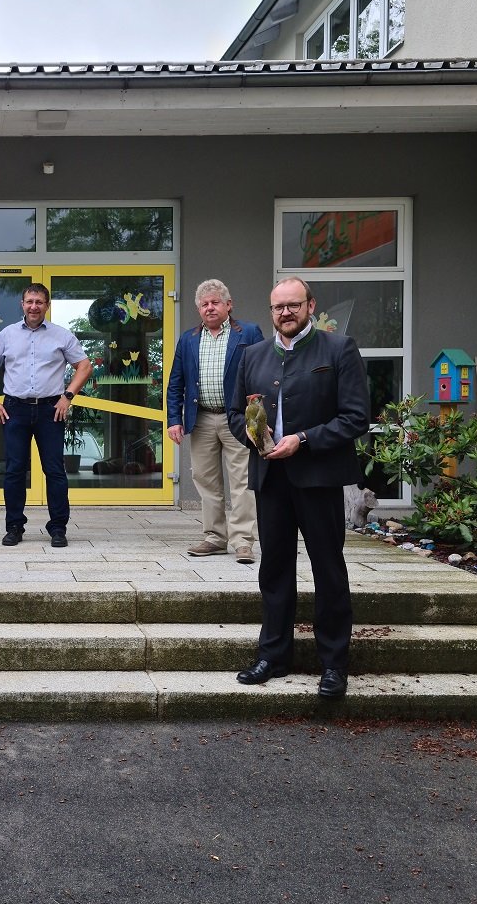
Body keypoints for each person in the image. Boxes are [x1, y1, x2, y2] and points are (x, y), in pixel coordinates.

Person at [227, 277, 370, 699]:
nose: (285, 313)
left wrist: (303, 440)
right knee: (274, 569)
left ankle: (334, 664)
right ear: (270, 311)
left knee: (328, 569)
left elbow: (355, 417)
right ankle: (273, 655)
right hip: (270, 478)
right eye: (278, 307)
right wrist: (252, 435)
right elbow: (234, 414)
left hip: (318, 478)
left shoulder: (338, 349)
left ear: (310, 305)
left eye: (293, 305)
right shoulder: (252, 354)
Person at [0, 283, 93, 548]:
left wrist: (68, 396)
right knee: (14, 470)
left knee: (54, 470)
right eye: (29, 301)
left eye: (39, 302)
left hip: (50, 410)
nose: (34, 307)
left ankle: (58, 528)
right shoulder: (7, 335)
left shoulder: (61, 335)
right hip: (15, 409)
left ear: (47, 305)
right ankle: (14, 527)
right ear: (22, 304)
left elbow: (85, 366)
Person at [166, 279, 265, 564]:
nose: (209, 308)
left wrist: (258, 418)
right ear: (198, 308)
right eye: (204, 304)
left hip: (238, 419)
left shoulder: (248, 332)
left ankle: (243, 541)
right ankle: (214, 538)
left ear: (228, 305)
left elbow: (263, 373)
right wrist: (174, 419)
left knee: (242, 480)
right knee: (205, 479)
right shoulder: (188, 339)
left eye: (215, 302)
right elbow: (176, 382)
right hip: (201, 418)